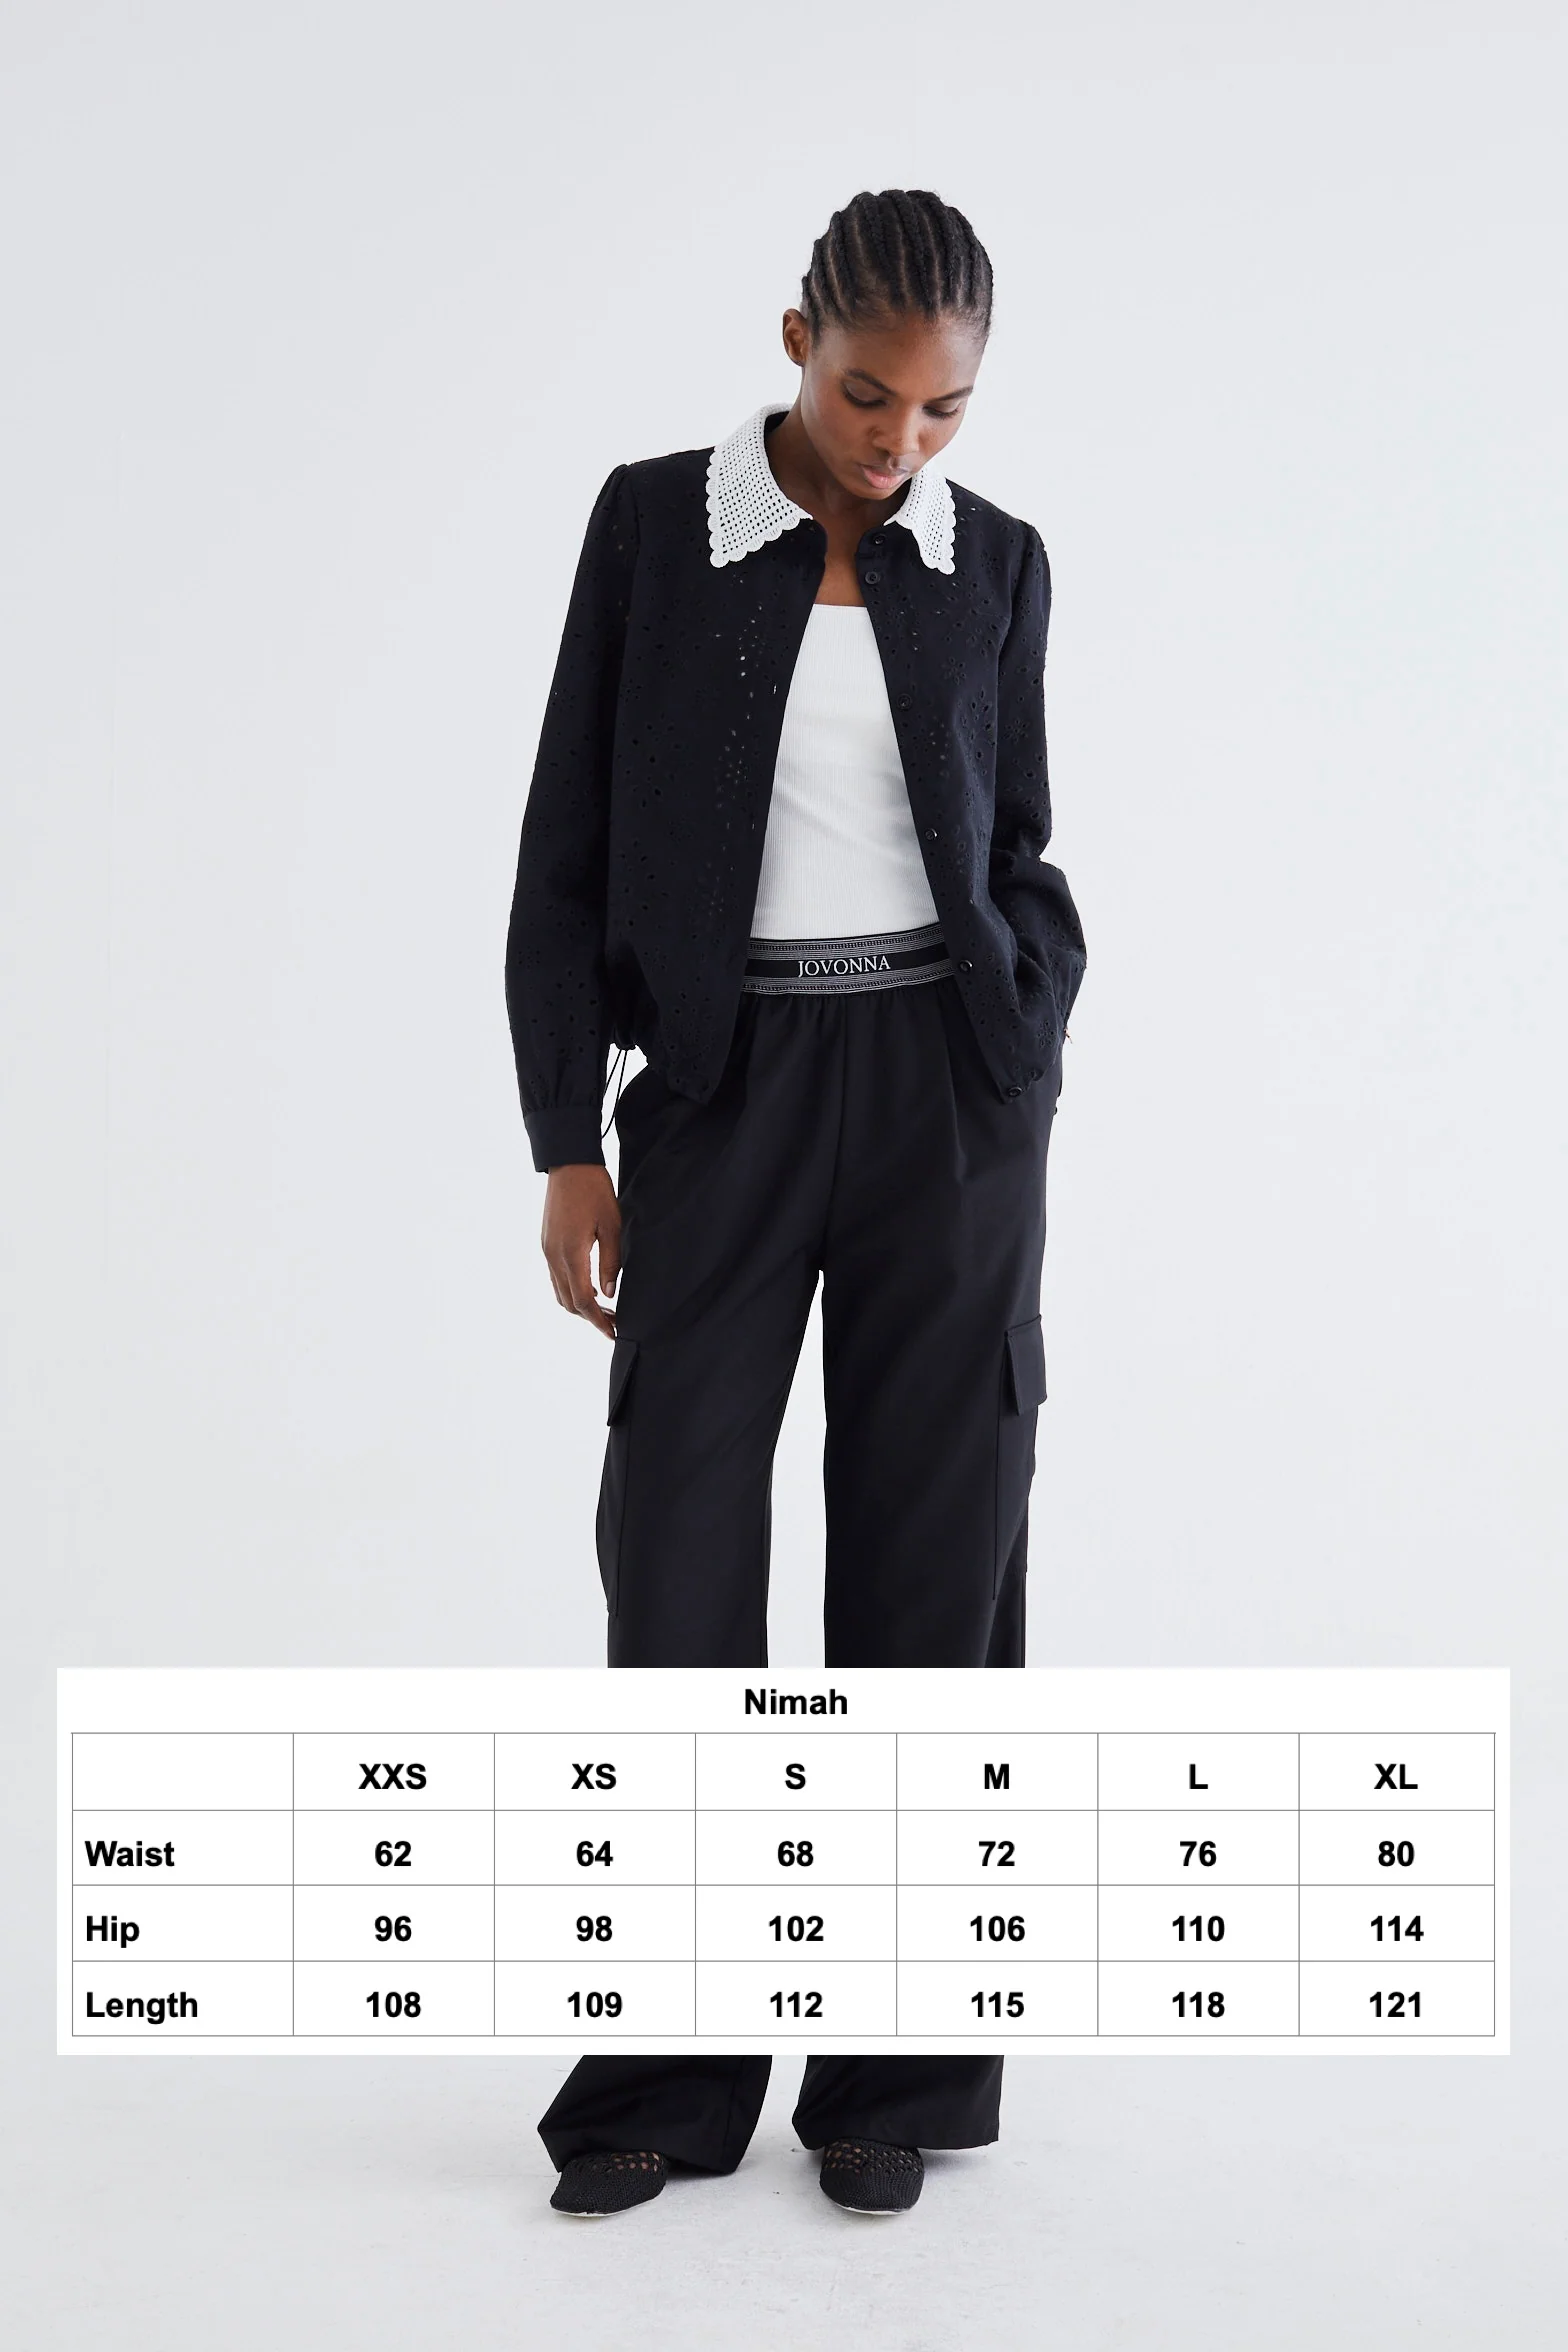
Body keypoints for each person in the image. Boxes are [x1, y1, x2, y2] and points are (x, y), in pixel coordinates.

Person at [505, 187, 1086, 2218]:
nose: (898, 441)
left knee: (935, 1576)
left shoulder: (992, 559)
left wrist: (1023, 1043)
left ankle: (892, 2079)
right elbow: (563, 846)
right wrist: (566, 1136)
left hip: (946, 1097)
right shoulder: (651, 529)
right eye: (865, 394)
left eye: (942, 409)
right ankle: (665, 2079)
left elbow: (1019, 841)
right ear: (794, 343)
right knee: (677, 1570)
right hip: (723, 1092)